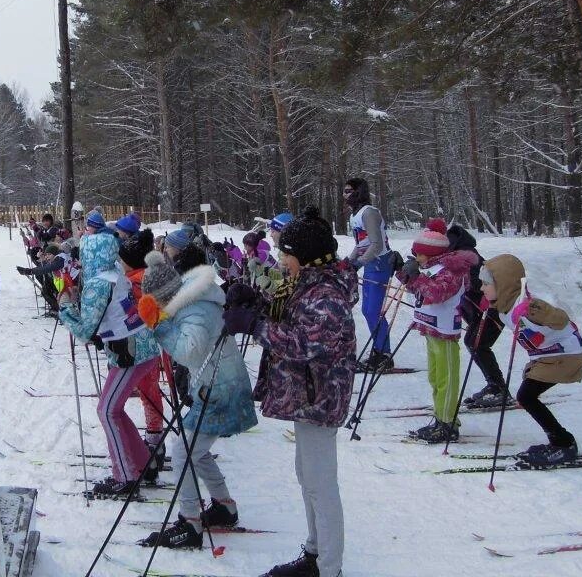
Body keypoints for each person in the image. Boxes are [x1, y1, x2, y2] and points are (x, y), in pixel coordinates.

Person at [137, 251, 257, 549]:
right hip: (216, 387)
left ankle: (190, 522)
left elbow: (190, 351)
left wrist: (160, 326)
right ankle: (224, 507)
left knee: (182, 452)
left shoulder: (195, 311)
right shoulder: (193, 302)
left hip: (219, 391)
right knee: (196, 451)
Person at [260, 206, 356, 577]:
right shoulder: (308, 282)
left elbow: (304, 343)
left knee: (320, 483)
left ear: (306, 257)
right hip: (307, 394)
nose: (282, 259)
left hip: (320, 397)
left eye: (287, 253)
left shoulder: (327, 294)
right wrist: (256, 303)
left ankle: (329, 567)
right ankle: (315, 552)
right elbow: (288, 311)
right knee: (307, 475)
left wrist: (258, 327)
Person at [60, 210, 161, 499]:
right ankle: (143, 462)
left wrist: (65, 305)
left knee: (107, 411)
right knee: (111, 409)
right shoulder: (114, 272)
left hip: (130, 353)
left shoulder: (99, 282)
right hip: (137, 349)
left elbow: (83, 330)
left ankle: (126, 475)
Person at [480, 254, 582, 467]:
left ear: (503, 285)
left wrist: (535, 309)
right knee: (527, 396)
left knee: (526, 396)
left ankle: (564, 444)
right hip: (548, 356)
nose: (482, 288)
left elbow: (561, 318)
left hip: (565, 356)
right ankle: (560, 441)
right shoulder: (504, 306)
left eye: (486, 284)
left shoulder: (528, 307)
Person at [396, 219, 473, 443]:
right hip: (430, 328)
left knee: (446, 379)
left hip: (445, 333)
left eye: (418, 254)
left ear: (431, 254)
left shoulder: (452, 271)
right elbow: (414, 286)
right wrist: (402, 271)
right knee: (434, 377)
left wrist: (417, 276)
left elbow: (436, 293)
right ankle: (440, 418)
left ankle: (448, 422)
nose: (416, 258)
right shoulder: (429, 268)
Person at [118, 225, 170, 474]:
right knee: (148, 391)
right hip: (149, 345)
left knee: (148, 391)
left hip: (142, 347)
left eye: (122, 259)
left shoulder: (135, 282)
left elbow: (137, 314)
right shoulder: (143, 277)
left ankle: (154, 442)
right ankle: (153, 439)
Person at [448, 225, 508, 409]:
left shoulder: (467, 255)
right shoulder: (457, 253)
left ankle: (498, 389)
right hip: (479, 310)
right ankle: (495, 386)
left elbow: (475, 282)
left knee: (476, 343)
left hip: (491, 307)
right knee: (474, 343)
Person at [343, 178, 395, 370]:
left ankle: (384, 354)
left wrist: (358, 264)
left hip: (380, 263)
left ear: (359, 192)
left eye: (349, 191)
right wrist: (349, 260)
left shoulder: (369, 213)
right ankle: (379, 349)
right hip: (371, 263)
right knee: (367, 310)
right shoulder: (355, 215)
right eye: (344, 191)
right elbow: (362, 243)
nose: (345, 195)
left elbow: (377, 244)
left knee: (373, 310)